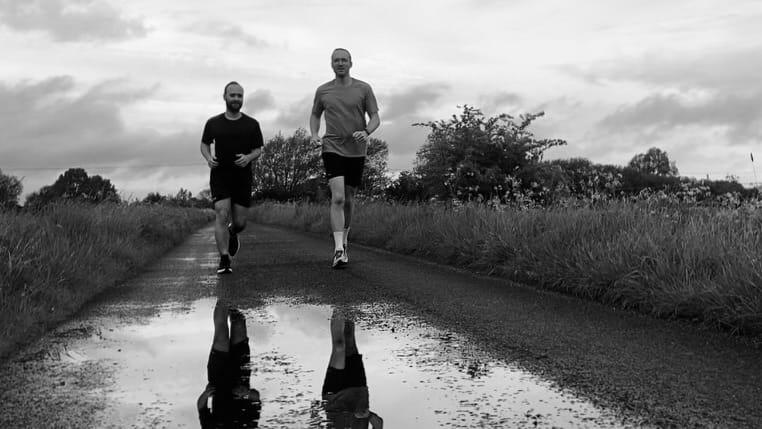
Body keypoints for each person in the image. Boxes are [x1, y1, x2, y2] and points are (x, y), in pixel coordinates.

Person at [310, 48, 380, 269]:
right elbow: (315, 114)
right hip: (331, 146)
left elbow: (375, 117)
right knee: (338, 197)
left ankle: (345, 239)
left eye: (344, 60)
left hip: (356, 149)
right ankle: (338, 249)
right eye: (336, 60)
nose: (340, 63)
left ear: (351, 63)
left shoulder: (363, 88)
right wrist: (314, 134)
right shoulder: (323, 91)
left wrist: (367, 131)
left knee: (349, 198)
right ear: (331, 64)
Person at [201, 81, 264, 274]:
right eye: (232, 95)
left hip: (242, 177)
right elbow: (204, 145)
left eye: (239, 96)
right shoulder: (214, 123)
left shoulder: (252, 124)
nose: (236, 99)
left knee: (240, 223)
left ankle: (232, 231)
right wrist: (209, 158)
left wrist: (248, 158)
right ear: (225, 97)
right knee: (221, 213)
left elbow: (258, 150)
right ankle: (224, 259)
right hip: (220, 175)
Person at [197, 300, 261, 428]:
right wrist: (247, 393)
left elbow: (201, 407)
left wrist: (205, 394)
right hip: (240, 375)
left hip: (218, 378)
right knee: (239, 324)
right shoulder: (248, 426)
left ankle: (223, 292)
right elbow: (256, 398)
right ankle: (234, 293)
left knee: (221, 336)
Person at [319, 309, 383, 429]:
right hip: (358, 392)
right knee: (349, 338)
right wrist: (368, 415)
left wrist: (315, 415)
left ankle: (338, 304)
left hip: (334, 397)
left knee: (339, 346)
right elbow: (378, 424)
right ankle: (348, 302)